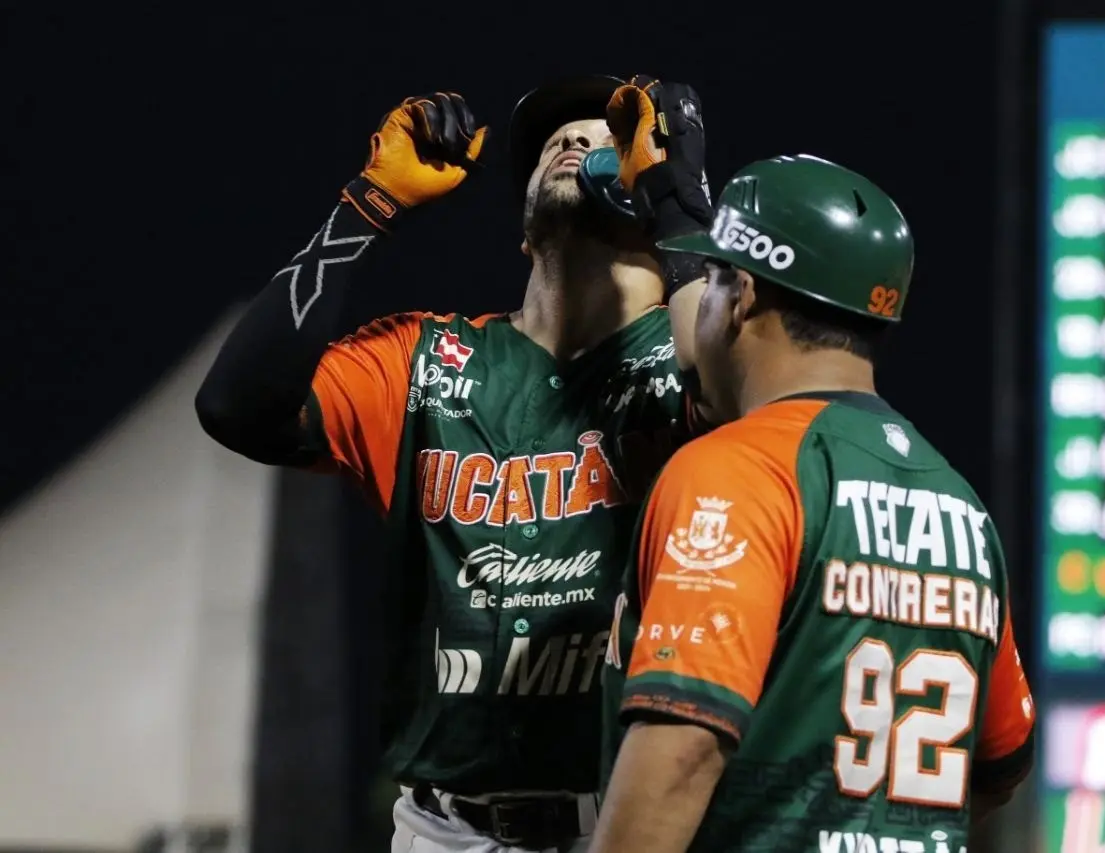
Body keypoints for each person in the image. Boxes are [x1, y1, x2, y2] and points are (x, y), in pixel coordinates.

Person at [195, 74, 715, 852]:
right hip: (443, 831)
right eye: (553, 142)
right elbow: (236, 403)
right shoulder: (425, 361)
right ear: (522, 231)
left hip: (629, 824)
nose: (572, 142)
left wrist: (679, 202)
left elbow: (747, 396)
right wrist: (366, 204)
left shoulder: (691, 363)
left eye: (606, 141)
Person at [591, 154, 1036, 853]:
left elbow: (682, 752)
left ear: (740, 294)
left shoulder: (736, 470)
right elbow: (1003, 760)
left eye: (709, 279)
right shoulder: (962, 507)